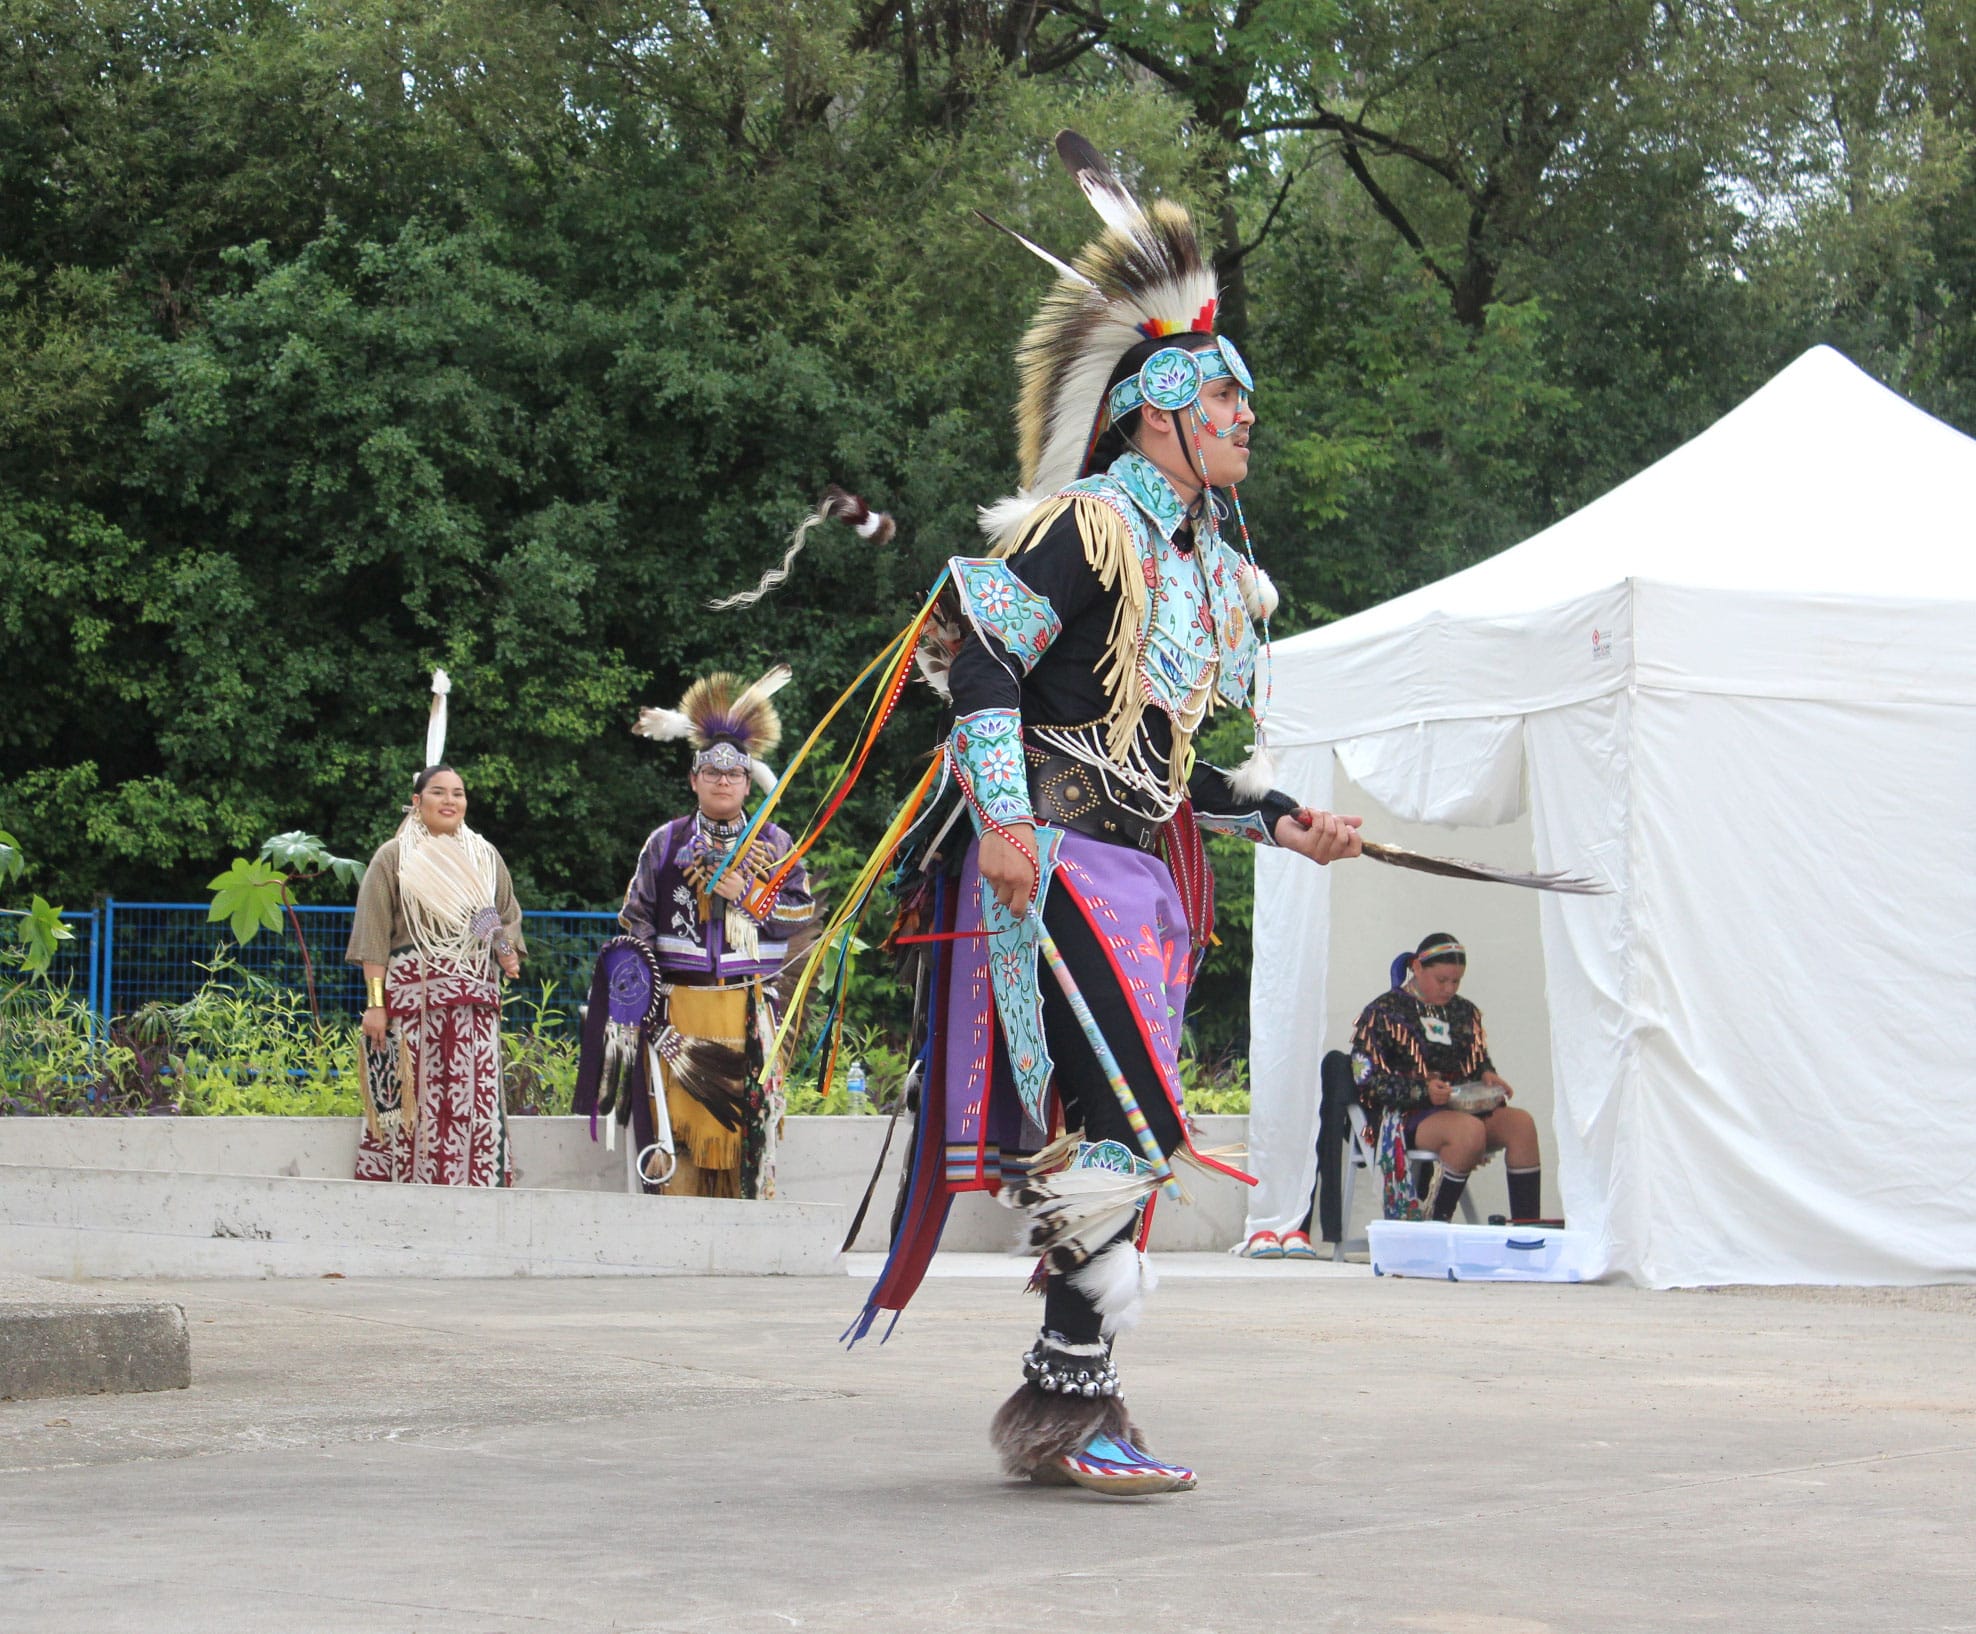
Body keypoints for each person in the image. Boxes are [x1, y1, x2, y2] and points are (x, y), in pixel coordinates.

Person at [838, 132, 1362, 1498]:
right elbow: (982, 654)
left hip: (1133, 880)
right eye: (1227, 399)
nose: (1246, 420)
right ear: (1159, 410)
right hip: (1055, 864)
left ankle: (1066, 1406)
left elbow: (1165, 769)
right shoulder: (1088, 528)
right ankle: (1067, 1407)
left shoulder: (1193, 571)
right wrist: (1007, 825)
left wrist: (1282, 817)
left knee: (1118, 1132)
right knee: (1127, 1126)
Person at [581, 665, 817, 1199]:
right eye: (711, 773)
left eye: (734, 774)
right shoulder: (665, 843)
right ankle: (675, 1226)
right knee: (677, 1133)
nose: (723, 781)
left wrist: (749, 894)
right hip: (679, 1010)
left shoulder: (775, 844)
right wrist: (640, 991)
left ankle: (742, 1227)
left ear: (747, 782)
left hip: (749, 1008)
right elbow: (635, 919)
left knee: (746, 1133)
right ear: (694, 780)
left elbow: (802, 915)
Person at [346, 671, 524, 1186]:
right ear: (417, 800)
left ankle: (477, 1195)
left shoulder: (485, 857)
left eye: (459, 793)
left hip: (473, 1010)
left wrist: (506, 949)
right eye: (439, 792)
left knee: (476, 1107)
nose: (450, 800)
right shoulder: (394, 858)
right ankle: (408, 1200)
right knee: (412, 1108)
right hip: (413, 1010)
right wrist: (375, 1004)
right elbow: (373, 937)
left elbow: (506, 917)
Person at [1349, 933, 1542, 1224]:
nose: (1449, 988)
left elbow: (1475, 1063)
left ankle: (1528, 1232)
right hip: (1404, 1115)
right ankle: (1434, 1224)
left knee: (1521, 1125)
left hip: (1458, 1109)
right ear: (1417, 967)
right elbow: (1367, 1082)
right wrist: (1422, 1091)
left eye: (1456, 981)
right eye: (1441, 980)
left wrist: (1486, 1075)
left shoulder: (1463, 1011)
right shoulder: (1384, 1013)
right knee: (1468, 1133)